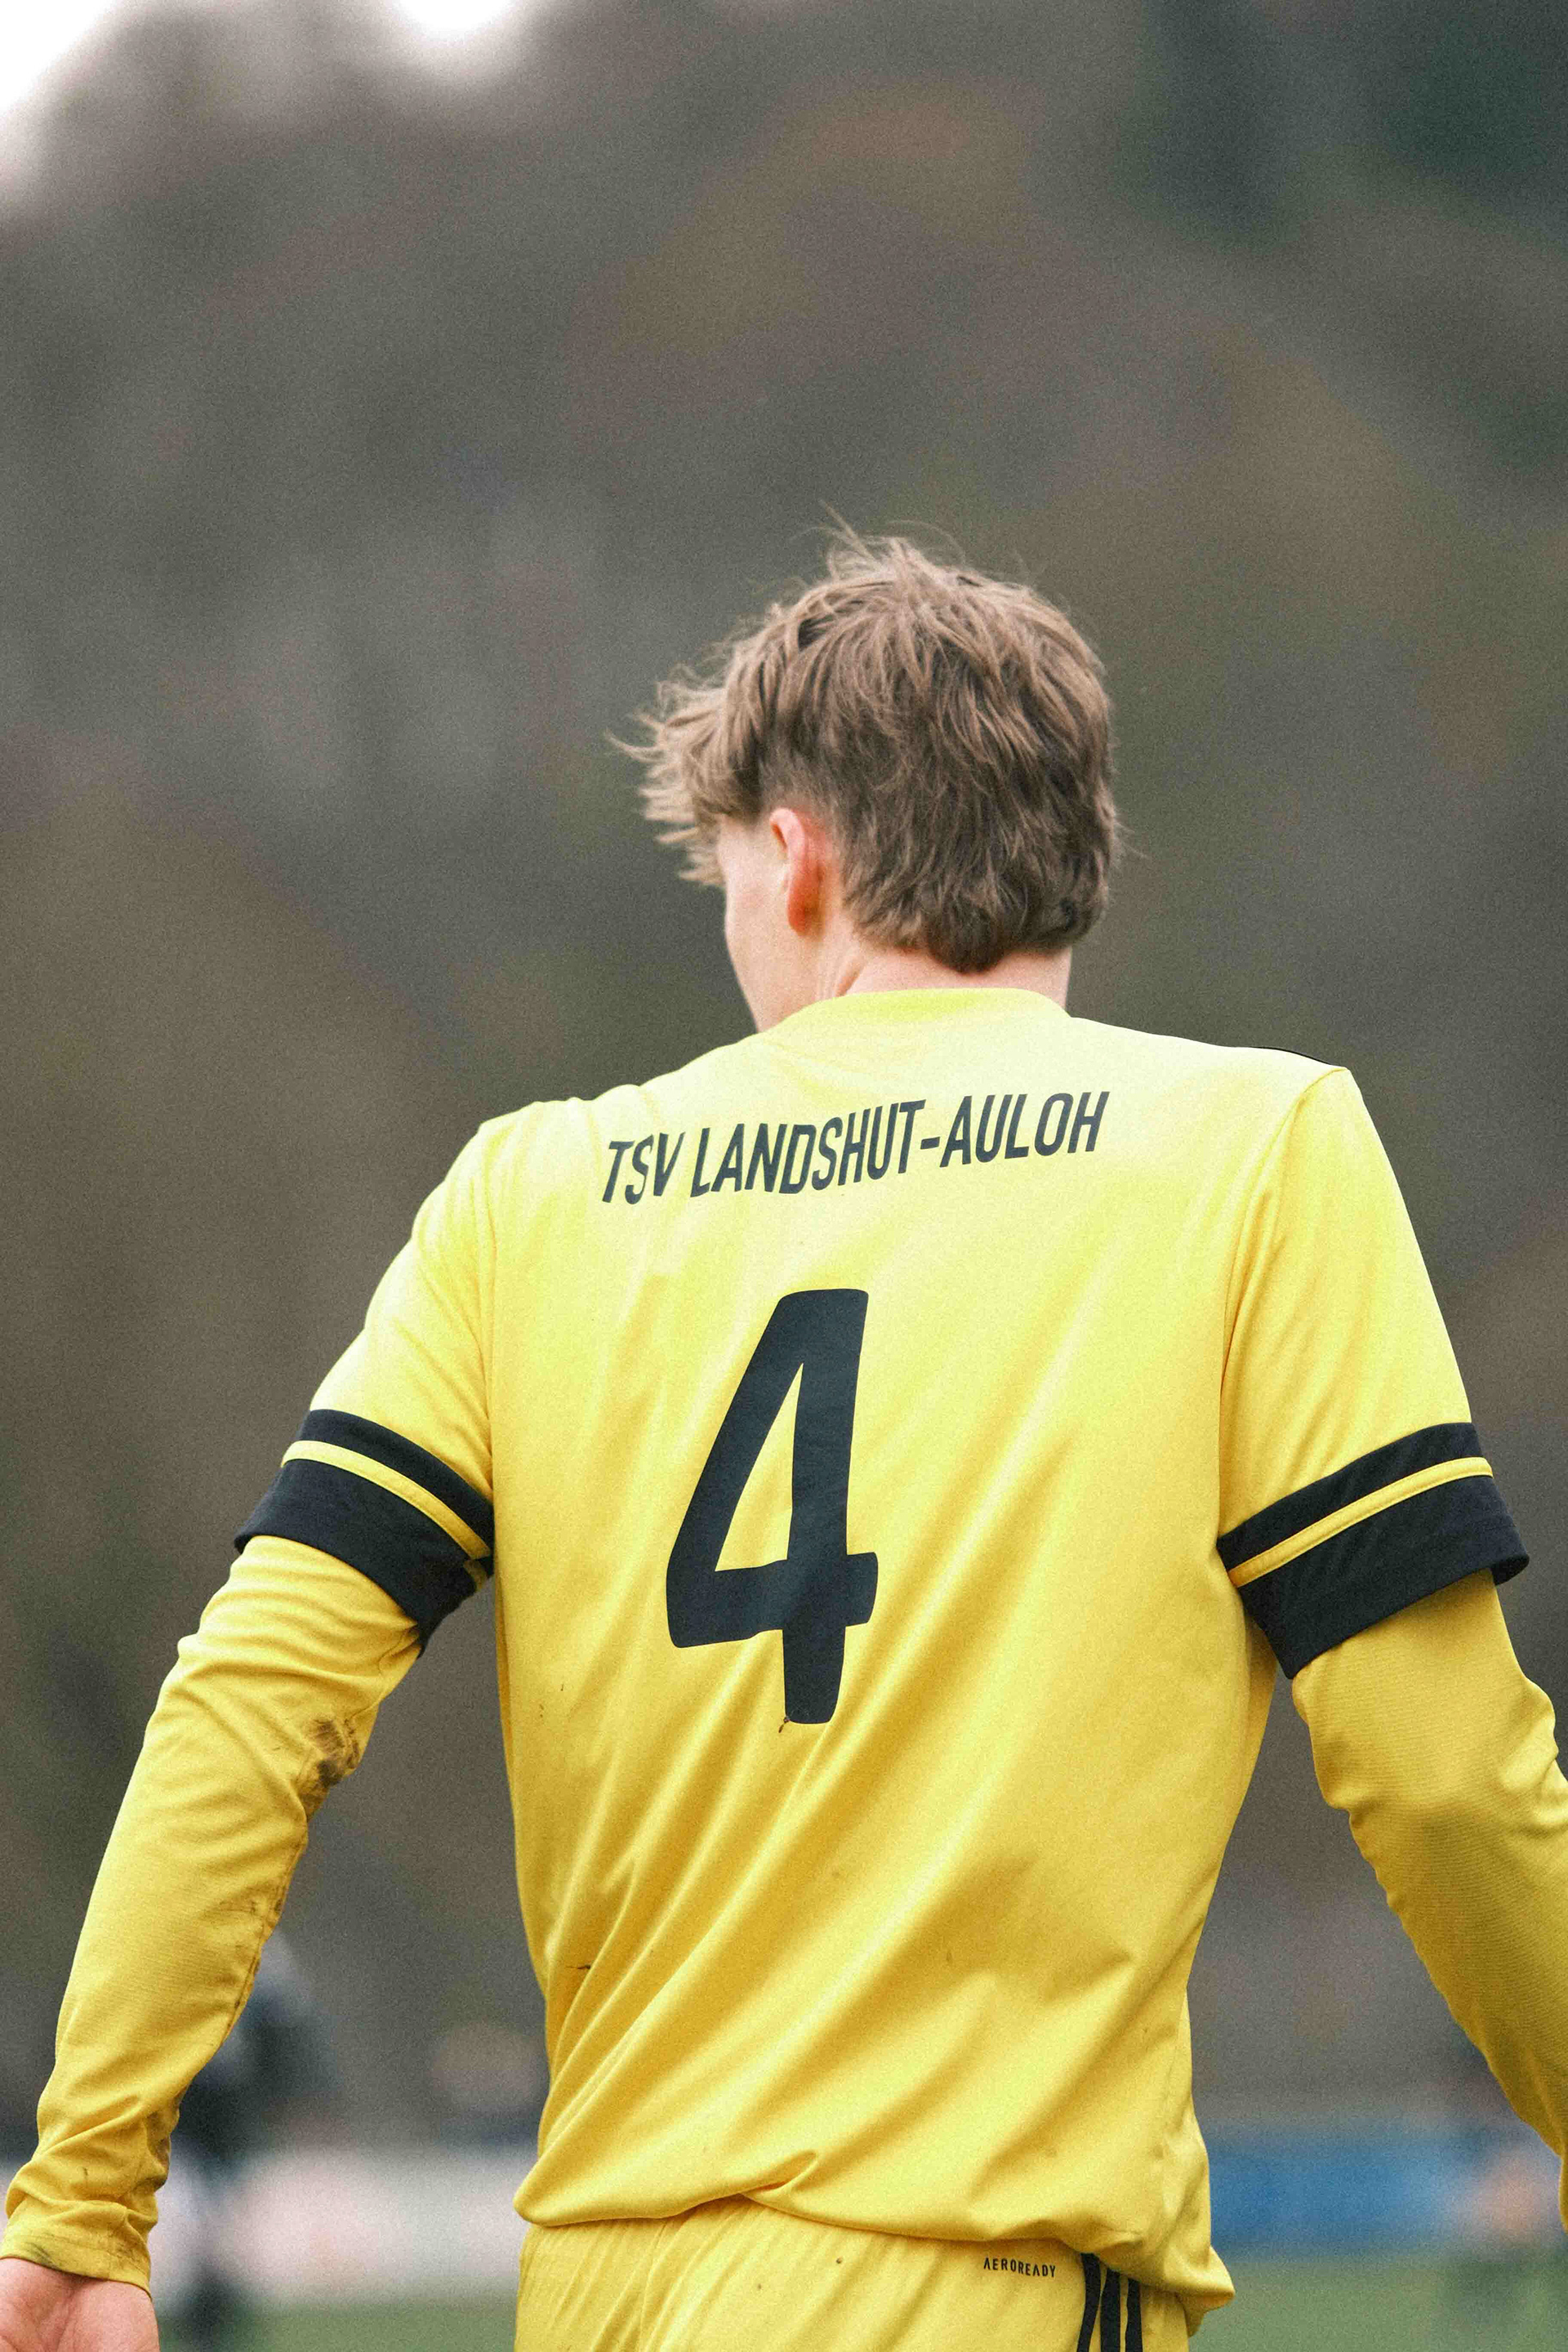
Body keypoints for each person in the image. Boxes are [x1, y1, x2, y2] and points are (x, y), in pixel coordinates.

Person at [2, 535, 1564, 2352]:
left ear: (799, 859)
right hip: (981, 2294)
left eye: (729, 874)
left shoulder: (529, 1195)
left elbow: (251, 1699)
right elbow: (1443, 1778)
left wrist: (83, 2196)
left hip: (602, 2305)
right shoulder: (1256, 1154)